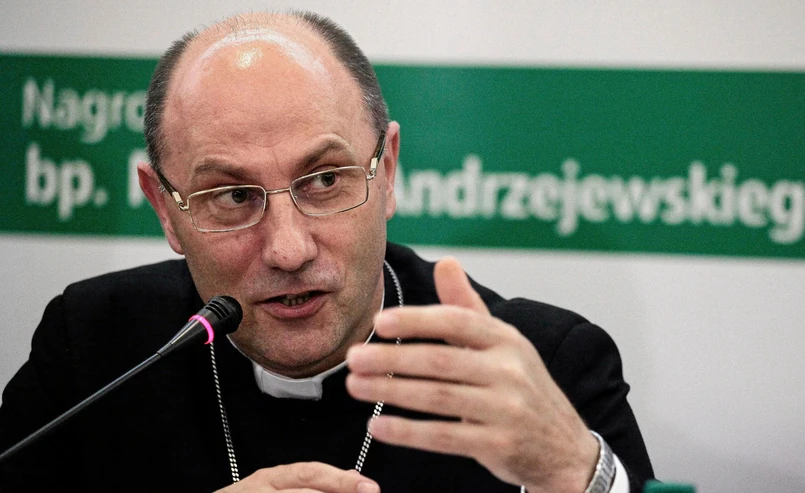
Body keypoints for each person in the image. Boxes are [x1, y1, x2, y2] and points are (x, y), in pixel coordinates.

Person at [0, 10, 653, 493]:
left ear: (386, 171)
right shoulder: (94, 347)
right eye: (233, 195)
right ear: (166, 207)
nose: (288, 249)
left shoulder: (538, 365)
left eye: (323, 181)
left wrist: (576, 472)